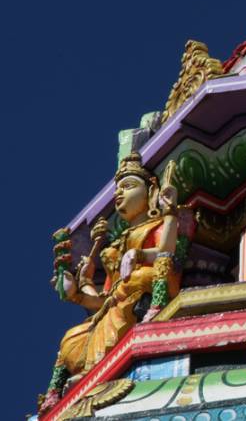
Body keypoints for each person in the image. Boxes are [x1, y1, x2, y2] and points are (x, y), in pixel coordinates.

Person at [40, 154, 190, 412]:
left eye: (129, 186)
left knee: (140, 278)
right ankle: (69, 385)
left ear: (151, 190)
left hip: (150, 283)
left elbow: (166, 252)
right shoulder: (115, 245)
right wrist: (78, 290)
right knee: (71, 338)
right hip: (118, 300)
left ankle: (152, 314)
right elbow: (104, 297)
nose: (119, 194)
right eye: (117, 190)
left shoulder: (159, 223)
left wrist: (166, 218)